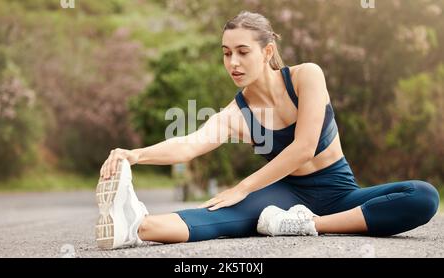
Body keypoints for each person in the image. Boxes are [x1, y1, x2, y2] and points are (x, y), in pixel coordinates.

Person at [95, 11, 440, 249]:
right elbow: (189, 144)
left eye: (243, 52)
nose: (233, 62)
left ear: (267, 51)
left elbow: (304, 148)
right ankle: (134, 226)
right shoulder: (238, 113)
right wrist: (133, 154)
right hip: (285, 198)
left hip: (339, 195)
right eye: (227, 53)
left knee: (423, 196)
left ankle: (310, 225)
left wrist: (244, 187)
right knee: (217, 218)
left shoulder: (307, 77)